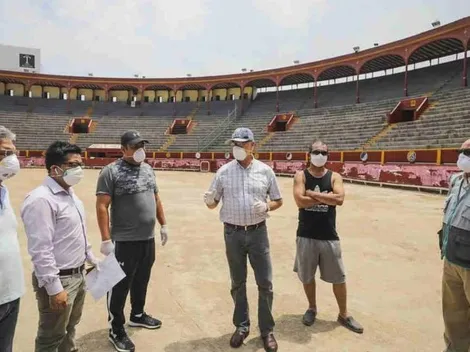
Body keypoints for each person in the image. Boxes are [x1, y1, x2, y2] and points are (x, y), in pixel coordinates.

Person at [204, 127, 283, 352]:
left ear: (252, 146)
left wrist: (267, 206)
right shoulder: (223, 172)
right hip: (233, 233)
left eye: (242, 144)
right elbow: (212, 204)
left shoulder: (266, 171)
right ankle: (242, 326)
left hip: (258, 232)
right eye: (235, 144)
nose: (237, 148)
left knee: (265, 282)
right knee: (238, 282)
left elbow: (278, 200)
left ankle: (267, 330)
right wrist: (209, 200)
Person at [21, 141, 100, 352]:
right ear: (55, 168)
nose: (79, 170)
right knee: (51, 336)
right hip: (59, 280)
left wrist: (91, 257)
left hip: (78, 274)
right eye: (73, 165)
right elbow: (40, 250)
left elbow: (77, 234)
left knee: (70, 327)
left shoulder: (71, 195)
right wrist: (54, 289)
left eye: (80, 164)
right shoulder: (41, 200)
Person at [96, 130, 168, 352]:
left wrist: (163, 224)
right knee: (118, 285)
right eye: (135, 147)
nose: (140, 151)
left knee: (141, 280)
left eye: (142, 146)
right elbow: (101, 206)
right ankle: (115, 328)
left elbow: (156, 198)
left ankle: (137, 314)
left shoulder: (148, 169)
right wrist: (106, 239)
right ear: (123, 149)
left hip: (147, 239)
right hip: (124, 241)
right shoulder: (111, 172)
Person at [292, 140, 363, 334]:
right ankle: (312, 308)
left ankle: (343, 314)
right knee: (307, 276)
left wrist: (312, 195)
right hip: (306, 234)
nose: (320, 155)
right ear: (309, 154)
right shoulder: (301, 175)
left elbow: (339, 199)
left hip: (329, 235)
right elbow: (299, 201)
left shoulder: (334, 176)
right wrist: (326, 197)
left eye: (324, 152)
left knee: (338, 277)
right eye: (316, 151)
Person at [440, 138, 470, 352]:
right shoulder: (456, 181)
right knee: (453, 312)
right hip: (451, 258)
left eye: (468, 153)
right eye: (462, 151)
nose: (462, 157)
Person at [0, 126, 24, 352]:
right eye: (4, 154)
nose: (11, 160)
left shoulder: (3, 191)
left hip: (10, 293)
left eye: (12, 153)